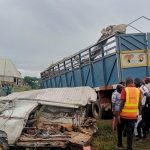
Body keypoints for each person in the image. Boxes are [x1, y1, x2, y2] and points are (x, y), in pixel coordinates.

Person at [116, 77, 141, 150]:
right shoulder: (138, 90)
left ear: (126, 83)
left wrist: (118, 114)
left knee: (119, 130)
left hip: (123, 115)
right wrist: (139, 114)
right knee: (130, 133)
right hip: (133, 116)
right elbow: (139, 104)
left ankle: (119, 145)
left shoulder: (125, 90)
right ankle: (129, 147)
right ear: (132, 82)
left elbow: (122, 103)